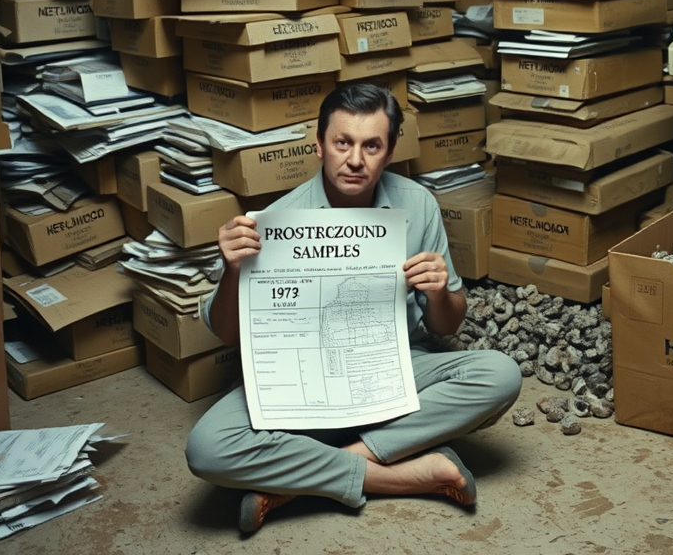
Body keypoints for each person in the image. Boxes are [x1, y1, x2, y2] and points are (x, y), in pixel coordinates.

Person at [185, 83, 522, 533]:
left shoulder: (417, 204)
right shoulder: (276, 220)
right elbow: (226, 334)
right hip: (300, 386)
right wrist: (231, 270)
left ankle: (307, 476)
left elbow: (447, 325)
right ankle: (400, 473)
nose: (356, 159)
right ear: (319, 143)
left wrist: (440, 293)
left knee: (501, 374)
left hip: (394, 371)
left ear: (391, 150)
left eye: (372, 145)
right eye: (343, 142)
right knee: (207, 448)